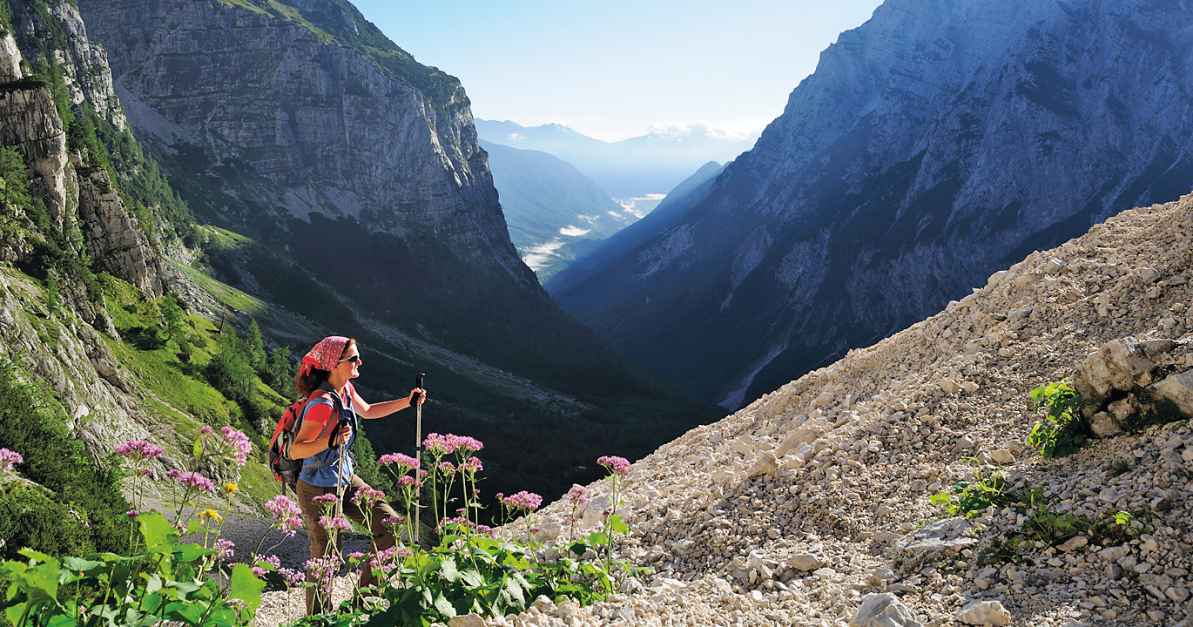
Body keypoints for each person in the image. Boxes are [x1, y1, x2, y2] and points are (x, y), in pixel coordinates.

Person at [288, 335, 426, 615]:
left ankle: (360, 605)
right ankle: (319, 620)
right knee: (326, 558)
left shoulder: (346, 390)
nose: (359, 362)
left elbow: (369, 411)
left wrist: (407, 402)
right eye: (353, 358)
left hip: (345, 477)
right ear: (334, 365)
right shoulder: (322, 404)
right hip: (317, 489)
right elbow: (295, 450)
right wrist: (329, 441)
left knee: (388, 524)